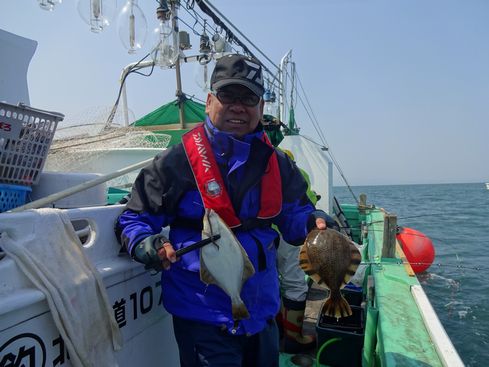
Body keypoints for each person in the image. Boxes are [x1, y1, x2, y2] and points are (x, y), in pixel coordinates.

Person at [115, 54, 329, 367]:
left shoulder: (278, 164)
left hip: (264, 312)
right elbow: (133, 219)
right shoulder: (177, 163)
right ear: (210, 101)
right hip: (203, 317)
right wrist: (147, 244)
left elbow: (296, 216)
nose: (238, 106)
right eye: (228, 95)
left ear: (261, 108)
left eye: (249, 98)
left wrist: (314, 222)